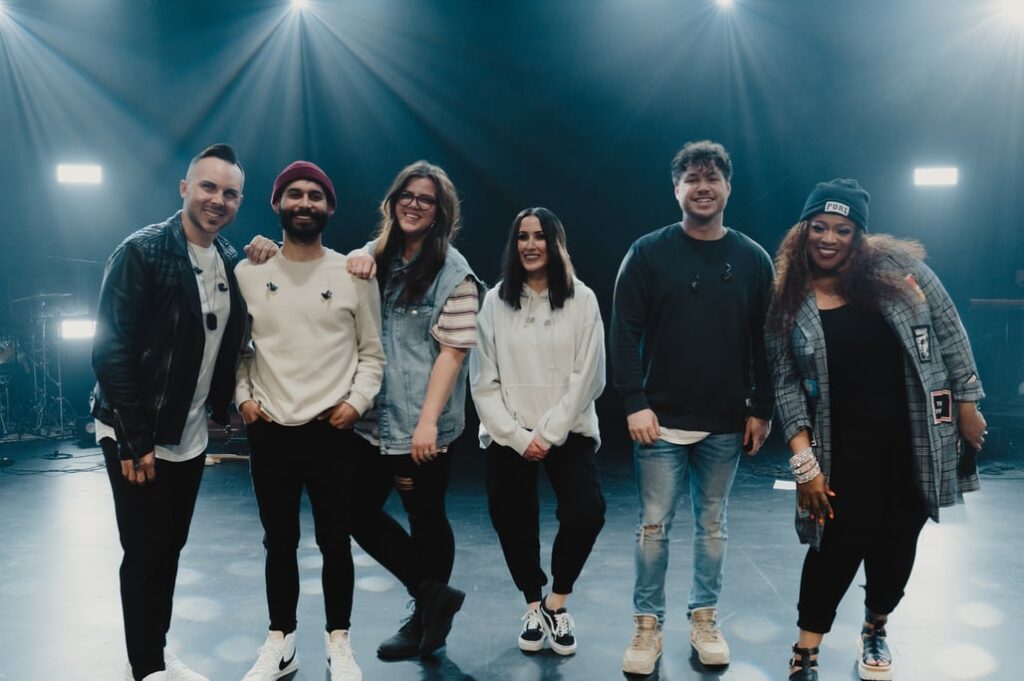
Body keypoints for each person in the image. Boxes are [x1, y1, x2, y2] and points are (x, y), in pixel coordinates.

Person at [765, 179, 986, 681]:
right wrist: (805, 467)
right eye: (818, 226)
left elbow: (951, 334)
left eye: (842, 229)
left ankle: (875, 627)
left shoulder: (903, 273)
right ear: (803, 232)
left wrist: (970, 403)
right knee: (835, 546)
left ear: (859, 236)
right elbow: (785, 387)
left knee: (897, 540)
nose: (828, 238)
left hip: (915, 441)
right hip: (842, 447)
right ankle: (806, 651)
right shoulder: (788, 299)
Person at [91, 143, 266, 681]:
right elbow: (110, 350)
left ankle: (156, 652)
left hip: (188, 433)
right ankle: (147, 668)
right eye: (208, 187)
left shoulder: (230, 261)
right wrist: (135, 439)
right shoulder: (142, 252)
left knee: (169, 547)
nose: (218, 200)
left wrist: (271, 251)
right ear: (185, 188)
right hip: (135, 430)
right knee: (145, 552)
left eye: (230, 193)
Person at [611, 140, 775, 674]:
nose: (702, 186)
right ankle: (647, 626)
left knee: (713, 527)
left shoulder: (753, 259)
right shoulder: (647, 253)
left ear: (728, 187)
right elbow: (623, 334)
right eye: (690, 177)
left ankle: (704, 620)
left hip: (726, 422)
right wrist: (634, 402)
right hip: (659, 422)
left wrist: (763, 407)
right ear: (676, 188)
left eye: (712, 177)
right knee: (654, 527)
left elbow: (765, 340)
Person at [234, 161, 385, 681]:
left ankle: (338, 643)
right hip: (269, 427)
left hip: (331, 430)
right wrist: (243, 400)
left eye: (315, 196)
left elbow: (373, 354)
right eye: (294, 195)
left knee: (335, 540)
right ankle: (281, 640)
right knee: (278, 542)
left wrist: (356, 403)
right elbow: (236, 349)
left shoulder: (354, 273)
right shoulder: (250, 271)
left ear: (330, 208)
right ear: (277, 204)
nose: (304, 203)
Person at [344, 160, 483, 659]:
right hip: (371, 418)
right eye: (408, 194)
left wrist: (427, 423)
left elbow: (453, 352)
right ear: (393, 200)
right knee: (354, 510)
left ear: (440, 212)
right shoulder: (374, 258)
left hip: (423, 422)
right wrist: (359, 253)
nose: (415, 203)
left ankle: (425, 622)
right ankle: (431, 597)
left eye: (426, 199)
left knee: (425, 516)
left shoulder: (455, 272)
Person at [470, 207, 607, 656]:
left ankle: (556, 602)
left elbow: (590, 375)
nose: (530, 245)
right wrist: (515, 434)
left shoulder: (581, 299)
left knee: (587, 512)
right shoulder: (494, 301)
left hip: (567, 430)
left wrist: (547, 434)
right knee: (513, 519)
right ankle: (532, 602)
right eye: (522, 237)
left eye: (540, 236)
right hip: (509, 431)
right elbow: (482, 380)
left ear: (556, 243)